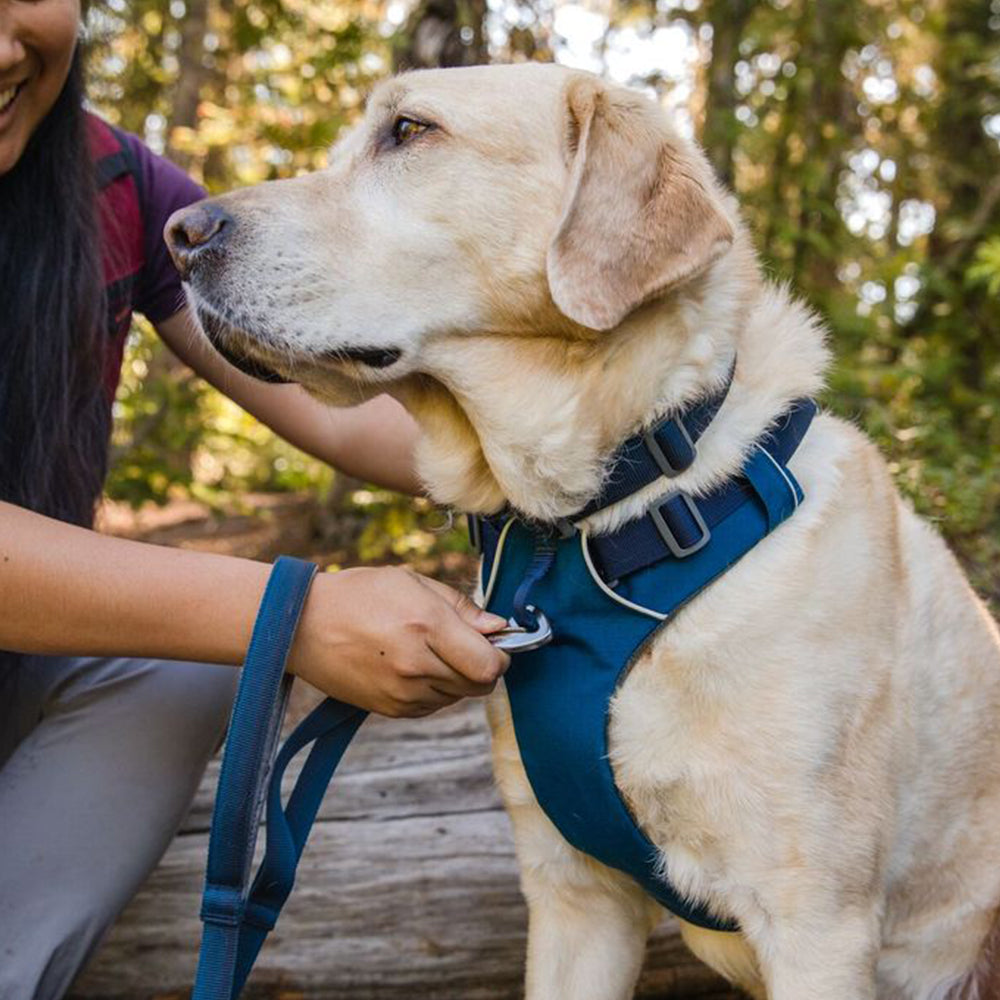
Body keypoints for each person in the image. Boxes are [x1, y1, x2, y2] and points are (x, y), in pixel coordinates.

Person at [0, 1, 509, 996]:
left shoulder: (109, 184)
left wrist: (587, 443)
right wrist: (295, 613)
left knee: (184, 662)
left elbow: (346, 417)